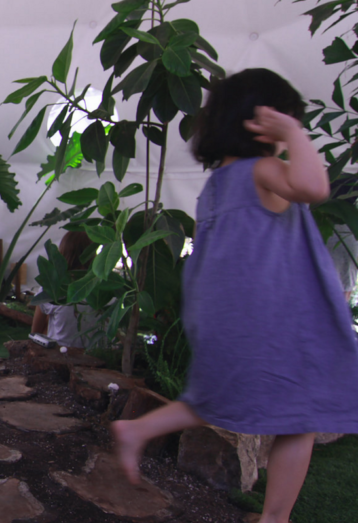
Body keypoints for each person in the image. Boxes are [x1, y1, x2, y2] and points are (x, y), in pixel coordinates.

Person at [111, 68, 358, 523]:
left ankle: (138, 429)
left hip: (225, 320)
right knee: (300, 417)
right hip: (273, 323)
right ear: (265, 123)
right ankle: (275, 518)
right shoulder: (265, 170)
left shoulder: (215, 188)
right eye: (286, 122)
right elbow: (315, 187)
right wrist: (296, 135)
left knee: (211, 398)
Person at [31, 230, 100, 350]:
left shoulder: (52, 288)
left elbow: (35, 334)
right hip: (99, 355)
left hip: (60, 355)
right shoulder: (106, 286)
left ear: (62, 253)